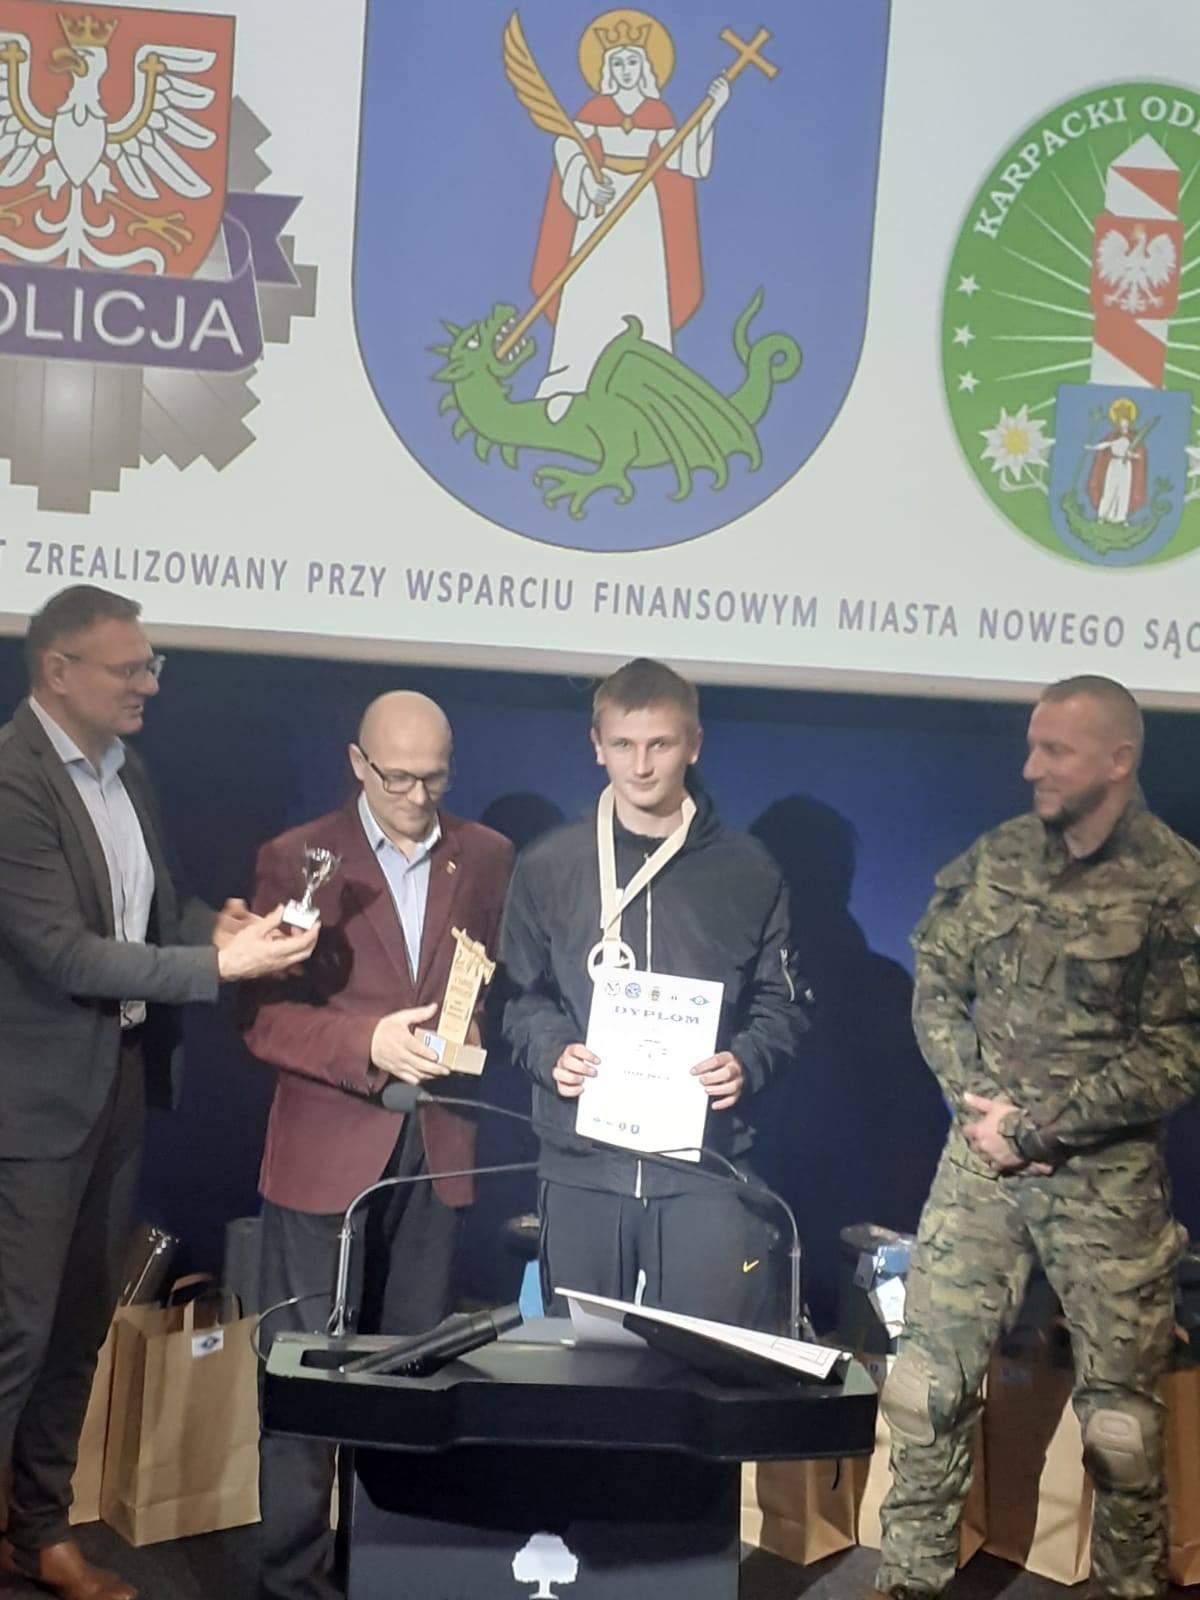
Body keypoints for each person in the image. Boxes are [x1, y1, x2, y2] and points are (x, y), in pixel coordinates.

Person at [0, 585, 317, 1600]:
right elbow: (66, 952)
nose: (150, 683)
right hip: (31, 1106)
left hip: (121, 1086)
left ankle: (36, 1531)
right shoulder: (12, 782)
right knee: (15, 1330)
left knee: (81, 1325)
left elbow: (150, 909)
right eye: (129, 667)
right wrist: (218, 969)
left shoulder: (126, 771)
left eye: (153, 665)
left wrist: (215, 929)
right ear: (58, 672)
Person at [876, 674, 1200, 1600]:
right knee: (924, 1390)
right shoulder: (1000, 857)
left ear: (1118, 760)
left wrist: (1038, 1130)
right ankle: (907, 1580)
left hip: (1105, 1182)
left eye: (1054, 751)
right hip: (980, 1165)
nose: (1031, 768)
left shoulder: (1175, 884)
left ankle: (1131, 1585)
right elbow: (936, 985)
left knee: (1121, 1427)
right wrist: (977, 1107)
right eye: (1031, 747)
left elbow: (1178, 1051)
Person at [240, 690, 512, 1600]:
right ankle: (291, 1581)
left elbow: (490, 988)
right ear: (357, 764)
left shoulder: (487, 856)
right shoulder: (298, 858)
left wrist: (472, 1038)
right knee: (306, 1378)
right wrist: (367, 1044)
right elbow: (262, 1019)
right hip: (324, 1154)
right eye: (397, 778)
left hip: (438, 1150)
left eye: (435, 778)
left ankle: (390, 1571)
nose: (417, 798)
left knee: (410, 1381)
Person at [501, 657, 804, 1327]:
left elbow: (781, 1004)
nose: (641, 766)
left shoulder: (748, 870)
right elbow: (520, 996)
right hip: (582, 1166)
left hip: (706, 1167)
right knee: (581, 1365)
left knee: (699, 1367)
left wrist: (746, 1061)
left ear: (694, 745)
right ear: (597, 746)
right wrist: (552, 1052)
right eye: (623, 745)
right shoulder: (549, 864)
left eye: (660, 745)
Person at [530, 11, 729, 418]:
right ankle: (570, 379)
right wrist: (588, 180)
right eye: (618, 63)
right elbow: (567, 145)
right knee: (589, 285)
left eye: (632, 62)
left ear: (645, 67)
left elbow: (684, 159)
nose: (625, 70)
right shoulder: (595, 108)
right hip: (601, 205)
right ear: (608, 69)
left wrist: (713, 110)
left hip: (640, 208)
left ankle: (648, 386)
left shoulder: (658, 113)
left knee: (640, 286)